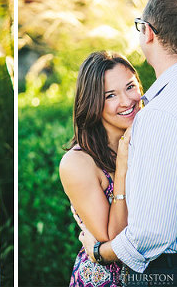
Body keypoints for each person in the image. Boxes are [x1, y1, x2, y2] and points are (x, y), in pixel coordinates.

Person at [77, 0, 177, 286]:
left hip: (169, 274)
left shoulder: (162, 114)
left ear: (147, 32)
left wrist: (100, 252)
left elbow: (152, 232)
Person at [59, 51, 143, 286]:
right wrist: (122, 167)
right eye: (110, 96)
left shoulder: (149, 140)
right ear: (93, 103)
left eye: (130, 87)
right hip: (106, 279)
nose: (126, 101)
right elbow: (113, 237)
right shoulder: (78, 163)